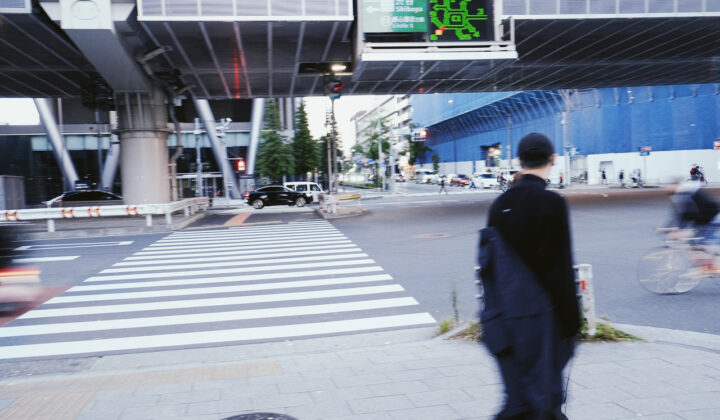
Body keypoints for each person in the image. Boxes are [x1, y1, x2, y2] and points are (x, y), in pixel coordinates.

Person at [478, 133, 580, 419]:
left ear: (519, 162)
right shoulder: (553, 203)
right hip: (543, 322)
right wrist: (572, 324)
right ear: (553, 159)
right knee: (544, 401)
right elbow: (559, 268)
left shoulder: (499, 206)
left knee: (518, 401)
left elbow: (491, 269)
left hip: (506, 320)